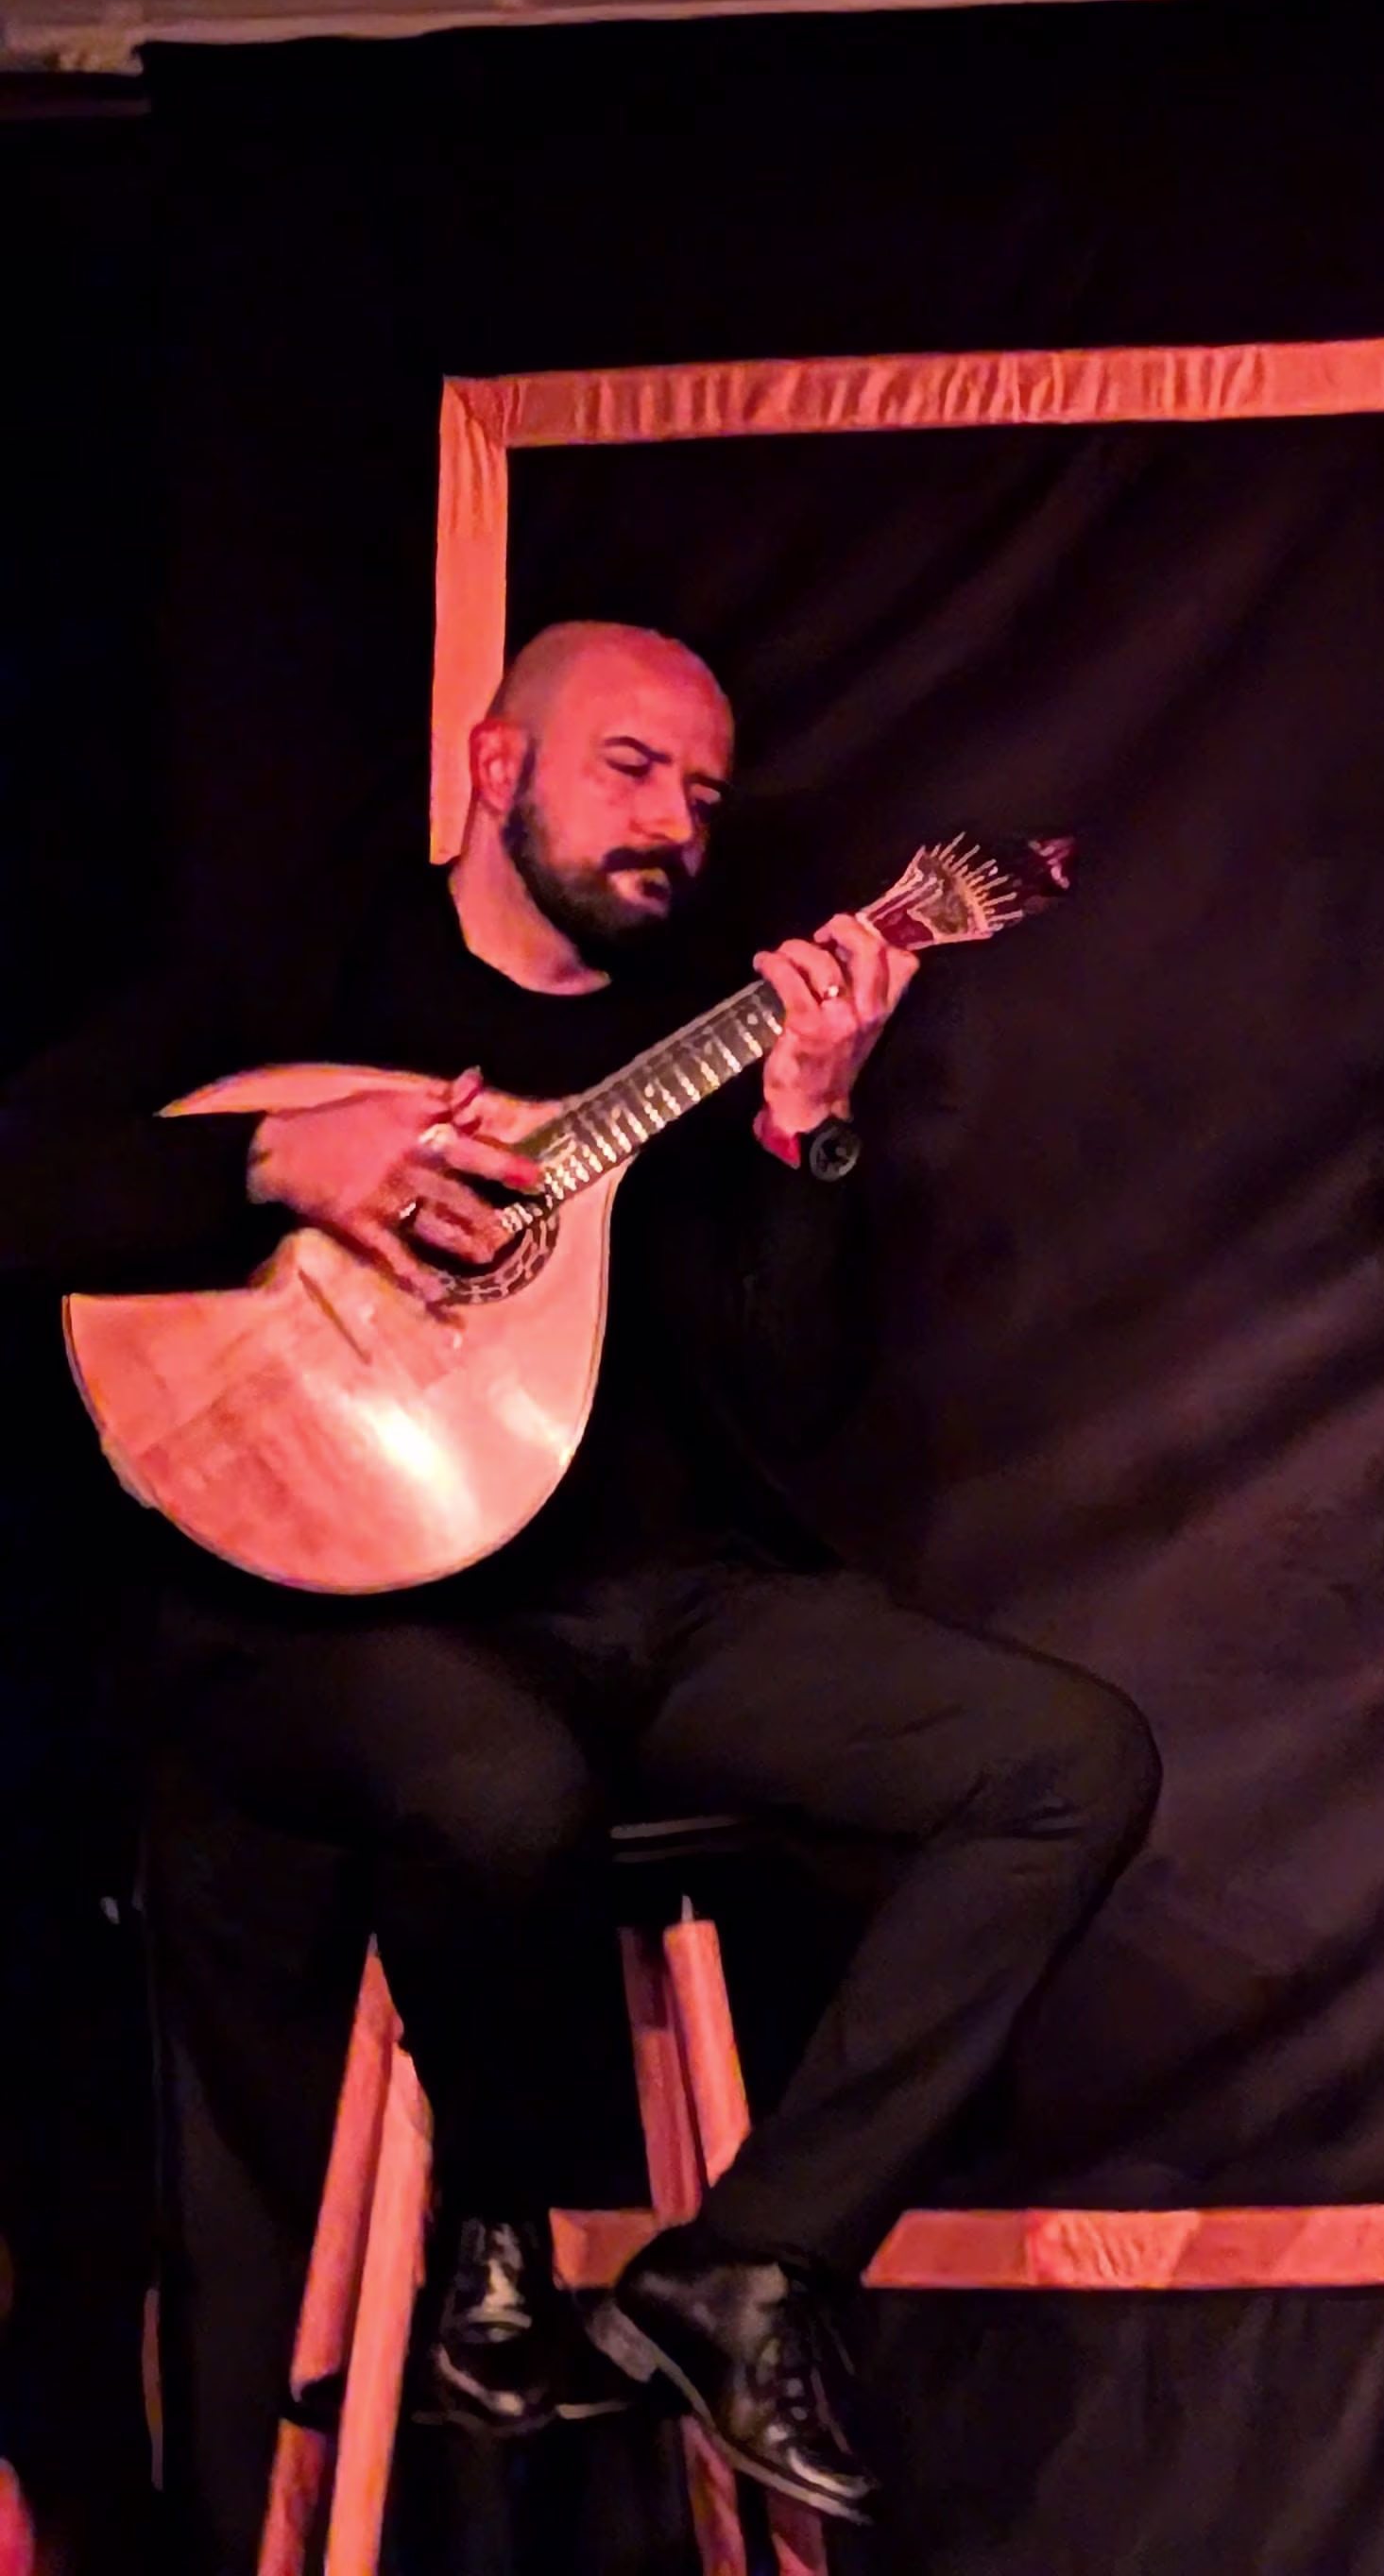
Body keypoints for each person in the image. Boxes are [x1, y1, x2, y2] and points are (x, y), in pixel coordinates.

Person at [0, 622, 1160, 2519]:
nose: (678, 827)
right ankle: (489, 2246)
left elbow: (796, 1395)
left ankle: (744, 2268)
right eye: (633, 771)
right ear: (491, 765)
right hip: (352, 1622)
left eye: (705, 794)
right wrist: (282, 1159)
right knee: (494, 1784)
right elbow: (26, 1177)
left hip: (666, 1613)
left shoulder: (705, 1032)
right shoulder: (300, 977)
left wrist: (805, 1119)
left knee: (1068, 1759)